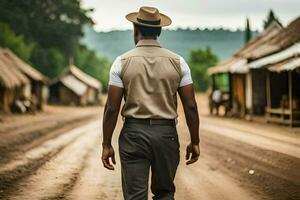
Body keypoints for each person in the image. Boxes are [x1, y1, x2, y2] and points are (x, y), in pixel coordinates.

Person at [101, 6, 200, 200]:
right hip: (166, 136)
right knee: (164, 194)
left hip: (133, 136)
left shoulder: (121, 62)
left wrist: (106, 144)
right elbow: (191, 106)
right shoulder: (179, 63)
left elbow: (112, 108)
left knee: (135, 196)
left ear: (135, 30)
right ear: (159, 31)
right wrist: (195, 141)